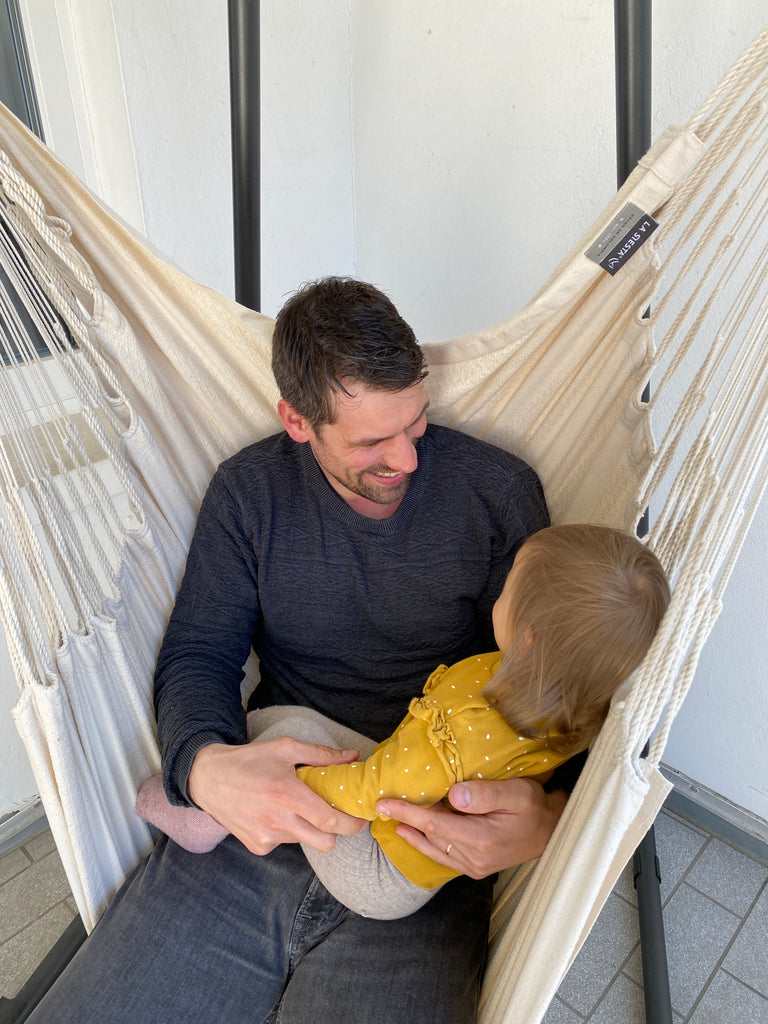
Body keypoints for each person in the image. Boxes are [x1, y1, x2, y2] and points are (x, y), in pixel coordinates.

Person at [29, 277, 562, 1024]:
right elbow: (199, 652)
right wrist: (204, 767)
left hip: (421, 856)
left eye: (416, 423)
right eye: (372, 441)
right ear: (297, 421)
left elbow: (555, 684)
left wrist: (553, 812)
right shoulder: (247, 494)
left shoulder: (498, 494)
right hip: (259, 824)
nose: (406, 460)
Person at [136, 523, 670, 920]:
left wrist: (287, 782)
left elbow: (376, 789)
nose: (500, 589)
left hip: (378, 868)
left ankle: (207, 817)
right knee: (294, 731)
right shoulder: (573, 700)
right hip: (412, 806)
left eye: (511, 585)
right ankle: (231, 771)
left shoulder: (464, 733)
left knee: (287, 736)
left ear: (527, 636)